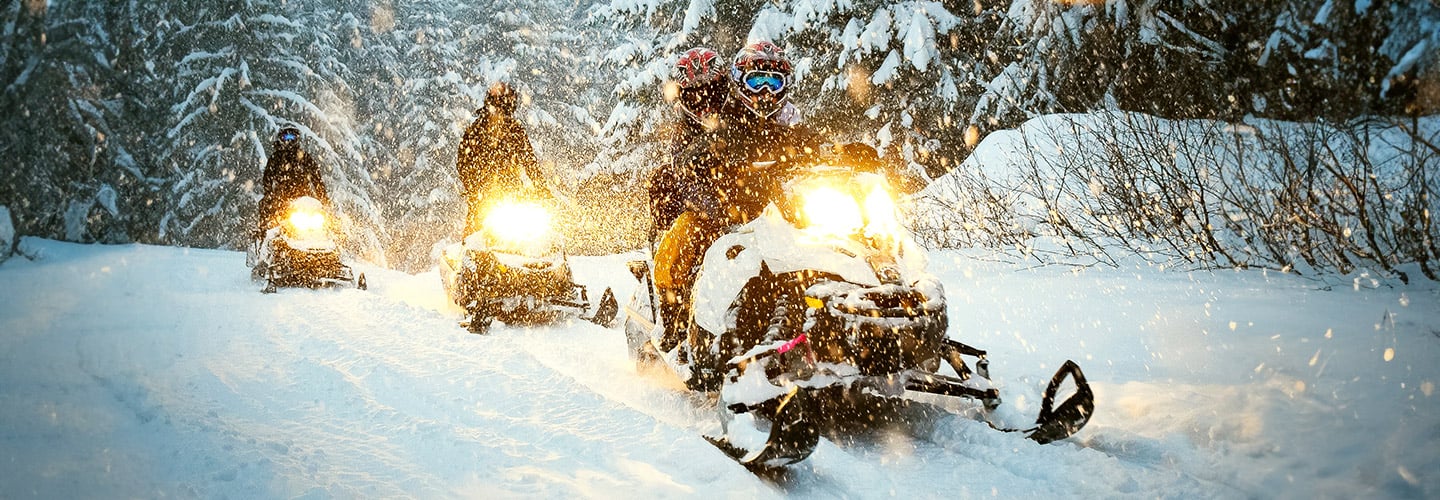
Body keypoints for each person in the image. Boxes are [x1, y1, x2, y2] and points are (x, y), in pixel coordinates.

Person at [652, 41, 823, 352]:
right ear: (739, 82)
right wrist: (706, 165)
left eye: (774, 82)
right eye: (757, 81)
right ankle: (674, 315)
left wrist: (841, 153)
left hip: (773, 202)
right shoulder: (727, 119)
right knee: (686, 235)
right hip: (720, 199)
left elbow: (802, 139)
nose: (766, 91)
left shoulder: (782, 116)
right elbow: (692, 161)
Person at [455, 82, 549, 236]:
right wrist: (474, 186)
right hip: (483, 197)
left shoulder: (515, 130)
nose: (500, 113)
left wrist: (542, 190)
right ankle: (469, 255)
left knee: (532, 236)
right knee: (475, 233)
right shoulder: (476, 130)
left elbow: (530, 162)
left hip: (510, 195)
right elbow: (463, 163)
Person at [257, 127, 329, 237]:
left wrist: (323, 197)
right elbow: (267, 178)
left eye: (292, 137)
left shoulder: (304, 157)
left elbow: (316, 177)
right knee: (266, 208)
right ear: (281, 138)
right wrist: (269, 194)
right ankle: (264, 235)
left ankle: (331, 237)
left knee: (323, 217)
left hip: (303, 195)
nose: (289, 140)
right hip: (281, 196)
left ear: (297, 139)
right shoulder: (276, 157)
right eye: (286, 137)